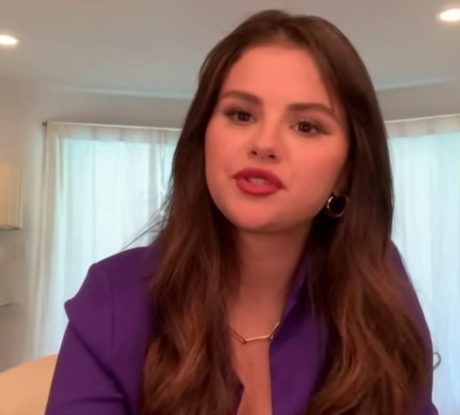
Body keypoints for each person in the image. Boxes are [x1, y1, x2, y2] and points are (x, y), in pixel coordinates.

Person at [45, 9, 438, 415]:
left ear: (346, 173)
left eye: (306, 126)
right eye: (241, 114)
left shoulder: (380, 283)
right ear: (203, 138)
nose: (264, 143)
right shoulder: (113, 297)